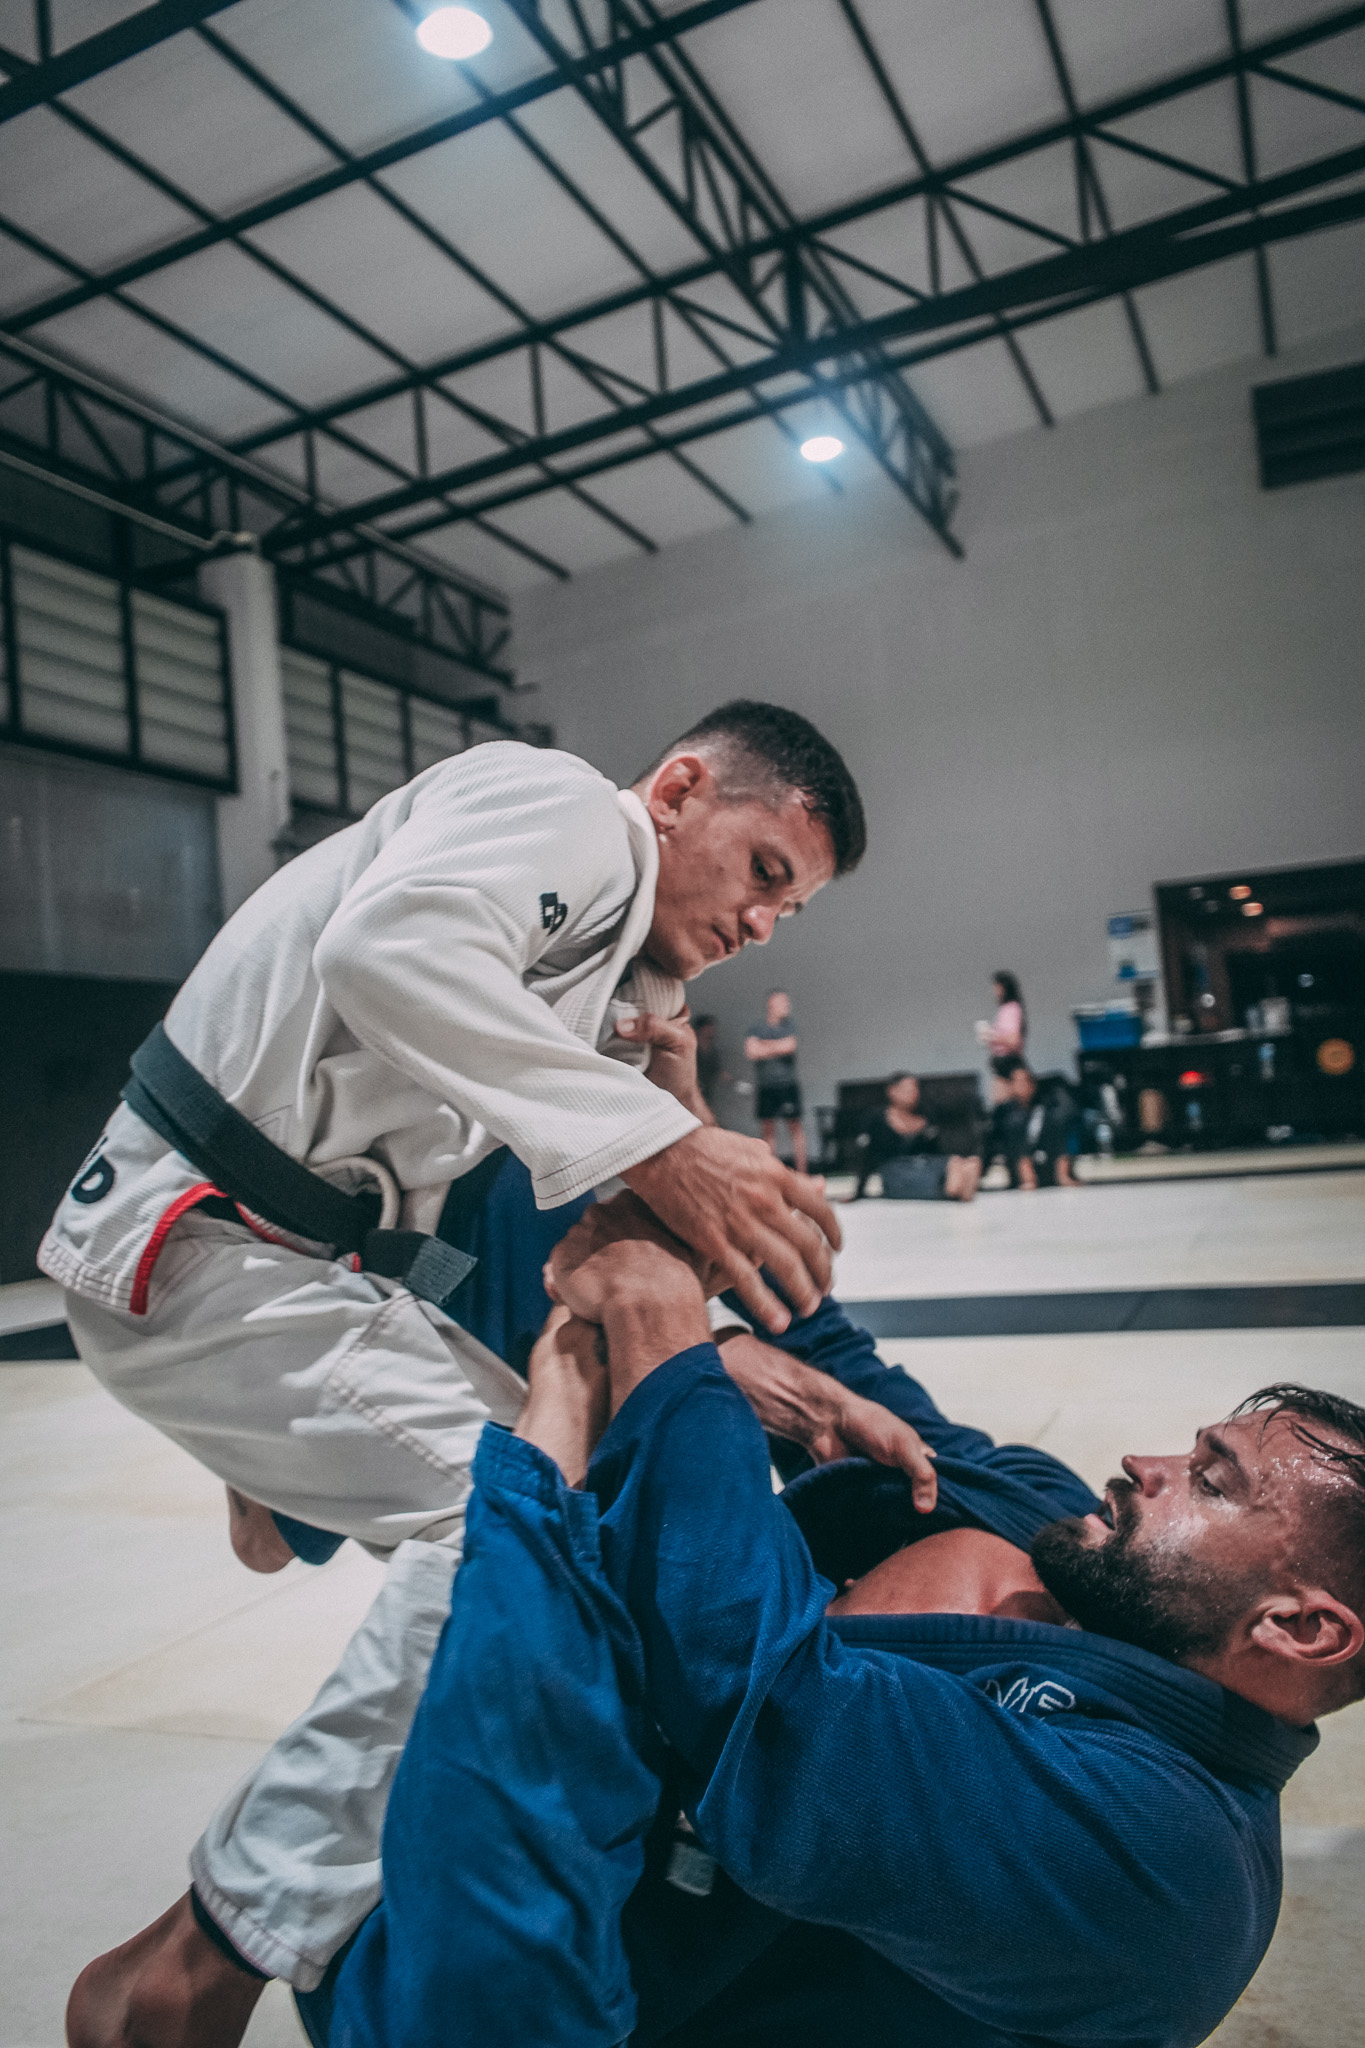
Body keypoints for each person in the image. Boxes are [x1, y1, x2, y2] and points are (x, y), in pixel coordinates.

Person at [51, 702, 863, 2021]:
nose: (765, 922)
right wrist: (660, 1147)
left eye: (795, 910)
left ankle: (334, 1903)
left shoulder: (612, 970)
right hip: (198, 1243)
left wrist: (666, 1116)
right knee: (507, 1533)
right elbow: (388, 948)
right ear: (677, 790)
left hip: (307, 1265)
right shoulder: (559, 805)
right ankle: (193, 1964)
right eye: (766, 871)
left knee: (570, 1526)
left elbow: (491, 1197)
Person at [295, 1202, 1363, 2048]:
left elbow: (766, 1702)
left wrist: (661, 1326)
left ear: (1302, 1628)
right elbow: (854, 1373)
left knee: (544, 1438)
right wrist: (685, 1164)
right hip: (507, 1842)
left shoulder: (1168, 1870)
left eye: (1209, 1482)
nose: (1145, 1463)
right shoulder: (1068, 1534)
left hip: (534, 1978)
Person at [852, 1072, 982, 1201]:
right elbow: (866, 1155)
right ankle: (952, 1189)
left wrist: (949, 1162)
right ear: (892, 1091)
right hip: (896, 1169)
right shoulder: (876, 1118)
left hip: (924, 1163)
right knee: (934, 1176)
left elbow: (935, 1151)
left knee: (956, 1162)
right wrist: (859, 1191)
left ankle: (956, 1185)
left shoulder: (926, 1115)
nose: (913, 1093)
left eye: (915, 1088)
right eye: (907, 1089)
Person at [987, 1055, 1079, 1189]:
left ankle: (1063, 1175)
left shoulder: (1048, 1108)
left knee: (1061, 1125)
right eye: (1018, 1083)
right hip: (1021, 1163)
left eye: (1027, 1081)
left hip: (1047, 1154)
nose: (1023, 1086)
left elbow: (1059, 1136)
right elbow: (1013, 1144)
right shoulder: (1006, 1113)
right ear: (1011, 1086)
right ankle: (1028, 1179)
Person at [744, 988, 807, 1171]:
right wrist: (776, 1046)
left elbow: (789, 1046)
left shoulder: (789, 1026)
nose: (787, 1006)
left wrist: (764, 1045)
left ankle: (802, 1174)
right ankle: (772, 1171)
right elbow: (751, 1052)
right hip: (766, 1086)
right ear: (771, 1004)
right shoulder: (757, 1028)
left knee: (795, 1128)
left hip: (787, 1085)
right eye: (783, 1002)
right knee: (768, 1131)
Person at [976, 970, 1027, 1101]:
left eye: (997, 986)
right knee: (1000, 1102)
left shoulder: (1012, 1009)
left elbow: (1014, 1040)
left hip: (1010, 1061)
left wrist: (993, 1037)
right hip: (999, 1062)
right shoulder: (1004, 1010)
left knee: (1017, 1099)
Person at [690, 1014, 729, 1119]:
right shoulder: (692, 1049)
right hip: (692, 1092)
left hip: (707, 1091)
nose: (712, 1029)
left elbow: (715, 1069)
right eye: (708, 1026)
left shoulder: (712, 1051)